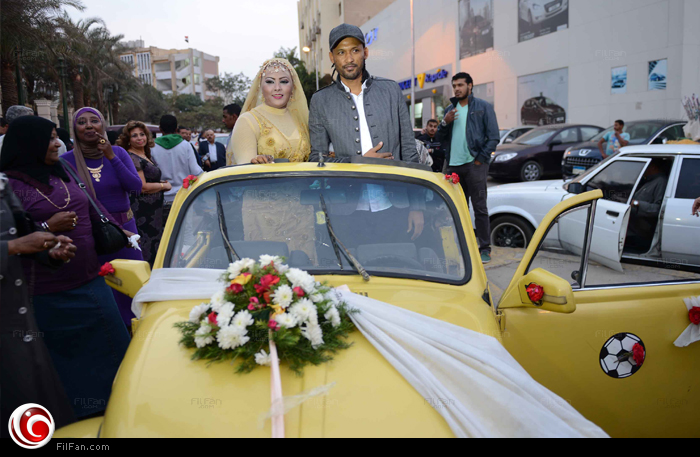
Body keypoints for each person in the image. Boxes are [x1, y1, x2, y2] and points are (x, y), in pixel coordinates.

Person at [0, 116, 130, 419]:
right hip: (45, 295)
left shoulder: (64, 170)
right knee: (65, 372)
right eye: (49, 139)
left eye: (56, 137)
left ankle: (122, 417)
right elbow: (14, 237)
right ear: (29, 144)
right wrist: (47, 228)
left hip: (91, 284)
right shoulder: (9, 186)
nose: (57, 143)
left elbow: (91, 204)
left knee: (116, 356)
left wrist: (113, 229)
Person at [1, 171, 77, 435]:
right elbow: (17, 242)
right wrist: (13, 247)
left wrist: (49, 248)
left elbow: (23, 230)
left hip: (16, 317)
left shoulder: (1, 183)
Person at [61, 107, 144, 328]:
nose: (89, 125)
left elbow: (135, 187)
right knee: (103, 291)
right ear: (75, 129)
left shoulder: (119, 152)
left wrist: (111, 156)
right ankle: (114, 335)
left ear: (103, 125)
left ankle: (139, 334)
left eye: (94, 120)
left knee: (133, 287)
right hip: (91, 235)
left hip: (126, 233)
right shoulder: (65, 161)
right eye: (82, 122)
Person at [230, 58, 315, 259]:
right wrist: (255, 163)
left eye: (284, 81)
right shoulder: (248, 121)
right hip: (264, 213)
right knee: (269, 271)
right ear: (260, 86)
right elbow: (244, 171)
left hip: (302, 210)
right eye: (270, 81)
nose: (277, 88)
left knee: (305, 267)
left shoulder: (302, 120)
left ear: (293, 87)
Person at [309, 24, 419, 164]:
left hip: (393, 178)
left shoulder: (391, 90)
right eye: (341, 52)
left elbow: (410, 150)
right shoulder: (320, 100)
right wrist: (358, 162)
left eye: (355, 50)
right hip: (348, 179)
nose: (349, 59)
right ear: (332, 57)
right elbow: (317, 160)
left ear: (365, 52)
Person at [437, 72, 500, 264]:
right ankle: (461, 246)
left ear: (470, 86)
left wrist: (480, 159)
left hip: (474, 165)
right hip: (453, 167)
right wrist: (444, 122)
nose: (457, 89)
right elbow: (439, 138)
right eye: (454, 85)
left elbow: (493, 136)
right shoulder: (450, 109)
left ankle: (484, 248)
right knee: (456, 209)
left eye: (460, 85)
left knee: (479, 207)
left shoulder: (483, 107)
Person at [118, 121, 171, 265]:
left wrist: (160, 183)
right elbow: (142, 187)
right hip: (143, 212)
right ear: (128, 139)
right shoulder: (132, 157)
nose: (139, 138)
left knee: (155, 246)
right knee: (147, 249)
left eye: (142, 134)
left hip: (153, 210)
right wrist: (163, 186)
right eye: (134, 135)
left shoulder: (144, 154)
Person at [151, 114, 203, 224]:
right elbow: (196, 172)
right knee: (185, 230)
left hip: (160, 199)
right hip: (182, 198)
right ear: (176, 129)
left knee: (164, 231)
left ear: (160, 129)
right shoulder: (186, 145)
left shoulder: (152, 147)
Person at [625, 160, 669, 253]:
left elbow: (658, 209)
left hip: (641, 230)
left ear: (653, 167)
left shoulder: (661, 182)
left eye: (646, 166)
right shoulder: (648, 180)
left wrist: (636, 203)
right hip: (633, 226)